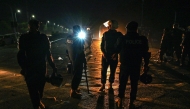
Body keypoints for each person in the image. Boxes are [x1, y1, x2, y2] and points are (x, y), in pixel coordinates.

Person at [17, 19, 57, 109]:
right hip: (29, 68)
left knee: (40, 89)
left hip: (41, 67)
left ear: (37, 26)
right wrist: (24, 67)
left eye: (32, 25)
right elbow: (20, 54)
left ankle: (38, 102)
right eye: (29, 25)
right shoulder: (24, 38)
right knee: (32, 90)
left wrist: (53, 66)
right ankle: (36, 105)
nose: (31, 27)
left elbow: (48, 53)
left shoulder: (43, 37)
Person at [115, 21, 149, 108]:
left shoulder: (122, 38)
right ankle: (131, 102)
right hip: (136, 65)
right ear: (136, 29)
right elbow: (145, 53)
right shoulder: (142, 39)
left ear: (127, 29)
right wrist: (145, 65)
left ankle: (120, 100)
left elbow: (116, 49)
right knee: (134, 84)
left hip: (125, 65)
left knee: (122, 83)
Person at [99, 20, 123, 92]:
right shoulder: (105, 34)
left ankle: (109, 84)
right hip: (106, 55)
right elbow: (102, 45)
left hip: (112, 55)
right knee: (105, 70)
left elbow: (120, 45)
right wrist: (103, 53)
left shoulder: (119, 35)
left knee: (110, 70)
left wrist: (116, 53)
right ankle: (105, 85)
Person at [66, 25, 86, 98]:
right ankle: (73, 91)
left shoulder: (69, 37)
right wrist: (84, 59)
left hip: (72, 59)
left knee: (74, 74)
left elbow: (67, 49)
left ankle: (74, 88)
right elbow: (81, 50)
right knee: (77, 75)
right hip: (78, 60)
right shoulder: (78, 39)